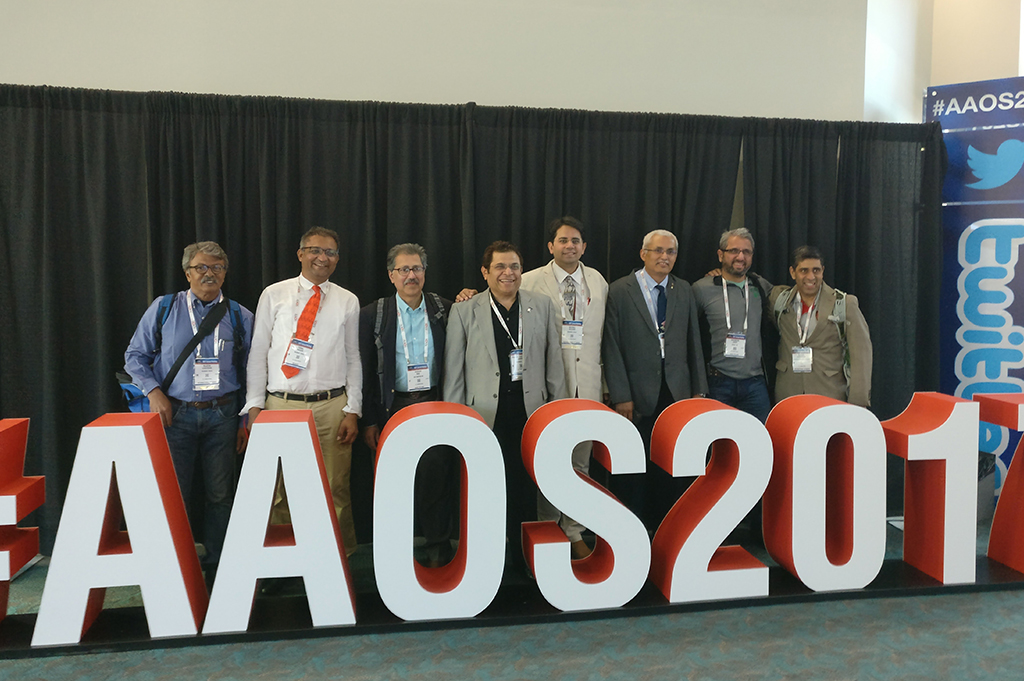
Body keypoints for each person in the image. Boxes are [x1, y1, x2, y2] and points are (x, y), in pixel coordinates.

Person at [124, 241, 254, 582]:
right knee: (174, 494)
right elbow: (134, 356)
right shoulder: (164, 308)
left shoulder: (240, 316)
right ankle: (174, 567)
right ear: (187, 273)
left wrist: (244, 420)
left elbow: (252, 370)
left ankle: (220, 566)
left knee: (220, 495)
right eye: (201, 267)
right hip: (175, 414)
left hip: (223, 416)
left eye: (217, 267)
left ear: (225, 273)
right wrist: (154, 392)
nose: (209, 274)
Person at [443, 241, 566, 571]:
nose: (508, 273)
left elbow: (554, 363)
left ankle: (524, 558)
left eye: (514, 266)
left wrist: (557, 412)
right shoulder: (464, 310)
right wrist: (456, 421)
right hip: (484, 417)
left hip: (530, 414)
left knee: (526, 489)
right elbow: (454, 371)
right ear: (485, 272)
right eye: (499, 266)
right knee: (486, 490)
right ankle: (487, 562)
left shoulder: (542, 306)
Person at [243, 226, 362, 555]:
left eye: (330, 252)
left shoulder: (347, 300)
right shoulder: (274, 294)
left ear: (337, 259)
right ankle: (284, 558)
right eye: (315, 250)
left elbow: (353, 357)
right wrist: (254, 406)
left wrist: (353, 409)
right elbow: (258, 352)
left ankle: (338, 557)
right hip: (281, 405)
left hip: (332, 405)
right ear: (300, 254)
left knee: (335, 485)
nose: (322, 257)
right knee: (280, 487)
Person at [359, 243, 457, 567]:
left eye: (417, 269)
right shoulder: (374, 314)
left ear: (425, 272)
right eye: (404, 270)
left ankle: (438, 548)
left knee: (436, 480)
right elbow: (365, 372)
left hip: (434, 404)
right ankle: (395, 555)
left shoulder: (444, 309)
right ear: (391, 275)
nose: (411, 275)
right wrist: (369, 421)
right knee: (393, 483)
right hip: (393, 407)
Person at [603, 229, 707, 530]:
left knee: (672, 463)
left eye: (670, 252)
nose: (664, 257)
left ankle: (668, 527)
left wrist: (699, 390)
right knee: (634, 466)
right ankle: (634, 529)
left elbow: (694, 342)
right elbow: (611, 346)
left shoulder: (683, 289)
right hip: (636, 395)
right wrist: (621, 394)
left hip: (677, 391)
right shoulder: (620, 290)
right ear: (643, 254)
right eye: (658, 250)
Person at [519, 216, 608, 559]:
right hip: (548, 386)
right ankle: (548, 529)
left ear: (584, 247)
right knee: (550, 462)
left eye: (575, 241)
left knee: (581, 464)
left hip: (588, 386)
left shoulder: (598, 281)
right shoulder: (529, 281)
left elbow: (604, 338)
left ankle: (574, 530)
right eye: (563, 240)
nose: (569, 246)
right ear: (550, 246)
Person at [769, 245, 872, 407]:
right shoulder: (779, 300)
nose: (811, 277)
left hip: (829, 395)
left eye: (816, 270)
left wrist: (858, 403)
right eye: (804, 270)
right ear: (792, 272)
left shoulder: (844, 304)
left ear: (823, 271)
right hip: (788, 396)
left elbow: (861, 356)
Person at [692, 228, 777, 423]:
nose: (740, 257)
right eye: (734, 251)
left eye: (746, 252)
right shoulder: (701, 289)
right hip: (717, 382)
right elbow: (689, 335)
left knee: (758, 437)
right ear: (720, 255)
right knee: (717, 438)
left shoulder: (760, 286)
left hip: (755, 384)